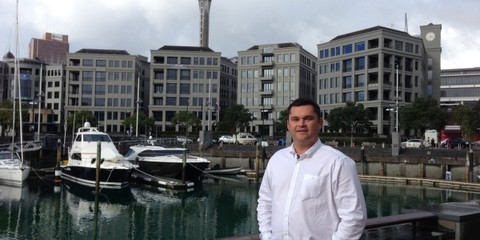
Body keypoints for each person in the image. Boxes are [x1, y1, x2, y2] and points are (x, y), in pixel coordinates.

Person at [257, 97, 367, 240]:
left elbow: (354, 217)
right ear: (288, 124)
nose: (301, 124)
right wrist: (266, 235)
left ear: (320, 123)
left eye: (308, 118)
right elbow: (265, 202)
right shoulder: (277, 160)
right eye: (295, 119)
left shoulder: (338, 163)